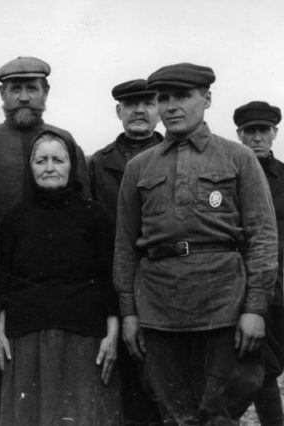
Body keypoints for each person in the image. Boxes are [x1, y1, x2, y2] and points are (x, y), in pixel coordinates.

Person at [114, 63, 278, 424]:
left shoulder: (238, 158)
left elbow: (263, 238)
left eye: (183, 96)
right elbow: (125, 247)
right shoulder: (140, 167)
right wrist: (129, 313)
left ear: (206, 99)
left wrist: (255, 308)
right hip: (160, 307)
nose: (171, 106)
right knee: (172, 412)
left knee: (218, 412)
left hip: (222, 305)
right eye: (164, 98)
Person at [0, 56, 91, 426]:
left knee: (60, 383)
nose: (24, 97)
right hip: (1, 282)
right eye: (15, 89)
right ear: (2, 94)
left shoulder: (65, 142)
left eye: (32, 89)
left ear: (45, 92)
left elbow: (85, 216)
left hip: (59, 290)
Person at [0, 129, 121, 425]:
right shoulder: (15, 218)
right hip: (27, 334)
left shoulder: (96, 217)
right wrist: (0, 332)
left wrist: (112, 335)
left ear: (72, 165)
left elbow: (108, 280)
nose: (50, 167)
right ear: (30, 167)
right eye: (41, 161)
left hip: (84, 336)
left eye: (58, 160)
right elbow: (5, 279)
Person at [88, 79, 163, 425]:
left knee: (161, 377)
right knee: (115, 379)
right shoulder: (97, 165)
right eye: (130, 104)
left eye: (148, 103)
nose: (139, 111)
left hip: (161, 282)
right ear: (118, 111)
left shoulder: (175, 157)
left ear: (160, 110)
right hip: (110, 283)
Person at [234, 100, 284, 425]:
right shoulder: (230, 176)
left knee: (271, 364)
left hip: (280, 290)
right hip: (241, 289)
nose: (257, 138)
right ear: (239, 134)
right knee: (251, 368)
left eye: (263, 130)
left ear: (274, 133)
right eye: (250, 131)